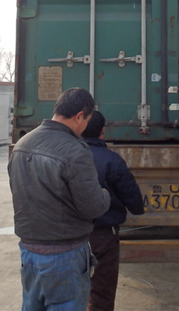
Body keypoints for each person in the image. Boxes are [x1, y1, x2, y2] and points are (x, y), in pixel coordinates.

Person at [8, 87, 111, 311]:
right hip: (65, 256)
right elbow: (92, 206)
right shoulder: (75, 151)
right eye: (87, 121)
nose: (85, 127)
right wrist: (105, 195)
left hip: (29, 254)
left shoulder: (21, 145)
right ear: (79, 117)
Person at [81, 111, 145, 311]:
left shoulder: (66, 157)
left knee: (70, 292)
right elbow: (134, 202)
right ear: (103, 131)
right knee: (101, 293)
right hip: (104, 237)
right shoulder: (112, 161)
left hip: (69, 235)